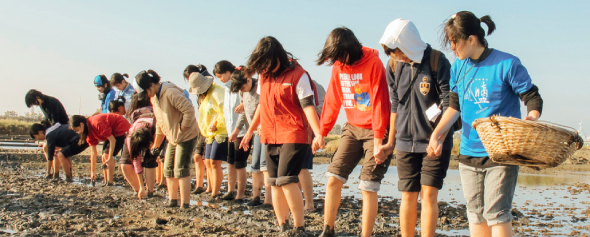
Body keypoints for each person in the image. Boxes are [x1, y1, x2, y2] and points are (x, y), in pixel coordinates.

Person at [428, 11, 543, 237]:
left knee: (497, 214)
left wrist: (530, 118)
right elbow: (454, 107)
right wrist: (437, 134)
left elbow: (532, 97)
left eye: (455, 42)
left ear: (471, 39)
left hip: (500, 153)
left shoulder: (507, 63)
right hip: (469, 152)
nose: (452, 47)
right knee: (475, 214)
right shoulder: (458, 68)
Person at [239, 36, 322, 235]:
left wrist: (318, 133)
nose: (263, 68)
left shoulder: (298, 75)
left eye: (265, 63)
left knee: (286, 180)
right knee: (274, 182)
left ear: (277, 57)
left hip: (294, 133)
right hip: (269, 134)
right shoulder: (264, 76)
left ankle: (299, 227)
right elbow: (262, 105)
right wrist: (250, 131)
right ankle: (283, 226)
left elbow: (308, 106)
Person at [379, 18, 454, 237]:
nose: (398, 56)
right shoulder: (393, 65)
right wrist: (390, 141)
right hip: (404, 142)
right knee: (408, 195)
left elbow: (450, 103)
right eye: (393, 53)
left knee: (429, 195)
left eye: (399, 51)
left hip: (434, 141)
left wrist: (439, 137)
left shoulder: (437, 62)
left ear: (409, 42)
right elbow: (395, 104)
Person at [314, 27, 391, 237]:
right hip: (352, 128)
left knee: (367, 185)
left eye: (340, 56)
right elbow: (332, 100)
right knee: (333, 178)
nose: (338, 61)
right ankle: (327, 231)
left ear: (350, 48)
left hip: (377, 129)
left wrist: (377, 140)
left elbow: (380, 104)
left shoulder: (374, 63)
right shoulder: (338, 67)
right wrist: (322, 132)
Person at [135, 69, 200, 208]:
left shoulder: (170, 92)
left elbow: (189, 109)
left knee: (181, 169)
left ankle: (185, 203)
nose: (146, 96)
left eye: (145, 92)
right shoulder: (155, 98)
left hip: (186, 135)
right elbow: (159, 122)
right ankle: (173, 200)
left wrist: (183, 127)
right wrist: (156, 144)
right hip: (172, 136)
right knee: (168, 168)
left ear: (150, 85)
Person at [230, 67, 267, 206]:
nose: (242, 90)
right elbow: (244, 113)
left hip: (265, 130)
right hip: (255, 131)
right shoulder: (242, 91)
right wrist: (237, 129)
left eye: (243, 87)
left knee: (265, 166)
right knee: (255, 165)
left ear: (248, 79)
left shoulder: (260, 87)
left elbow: (265, 107)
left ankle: (268, 200)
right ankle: (256, 196)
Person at [214, 60, 250, 202]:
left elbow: (245, 105)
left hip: (241, 130)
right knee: (230, 162)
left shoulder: (240, 86)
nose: (220, 80)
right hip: (231, 131)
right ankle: (230, 190)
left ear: (229, 72)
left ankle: (240, 194)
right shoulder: (227, 89)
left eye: (221, 76)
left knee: (240, 163)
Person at [189, 71, 227, 199]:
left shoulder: (218, 92)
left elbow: (224, 111)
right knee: (208, 162)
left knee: (215, 162)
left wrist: (217, 123)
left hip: (220, 132)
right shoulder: (206, 96)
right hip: (209, 134)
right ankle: (211, 188)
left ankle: (215, 192)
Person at [70, 113, 131, 185]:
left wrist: (110, 157)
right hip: (111, 133)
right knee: (103, 156)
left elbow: (112, 140)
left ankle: (110, 182)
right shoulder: (89, 133)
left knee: (107, 155)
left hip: (121, 128)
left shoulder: (96, 123)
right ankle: (106, 181)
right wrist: (92, 172)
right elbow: (93, 152)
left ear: (81, 124)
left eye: (77, 130)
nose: (78, 133)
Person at [118, 92, 156, 198]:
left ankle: (150, 192)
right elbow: (136, 160)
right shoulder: (131, 138)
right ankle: (139, 189)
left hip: (153, 128)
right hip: (137, 128)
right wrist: (141, 187)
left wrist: (154, 147)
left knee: (149, 159)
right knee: (126, 163)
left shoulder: (157, 130)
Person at [25, 89, 70, 176]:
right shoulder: (43, 104)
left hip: (63, 128)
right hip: (57, 129)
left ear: (37, 97)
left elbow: (56, 122)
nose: (36, 105)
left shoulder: (51, 102)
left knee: (49, 147)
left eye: (34, 103)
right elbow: (48, 120)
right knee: (46, 147)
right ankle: (54, 171)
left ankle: (55, 173)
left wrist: (49, 138)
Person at [183, 64, 209, 195]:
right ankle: (199, 185)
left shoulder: (207, 85)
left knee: (205, 158)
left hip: (210, 126)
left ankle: (209, 186)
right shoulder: (197, 89)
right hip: (201, 125)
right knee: (197, 156)